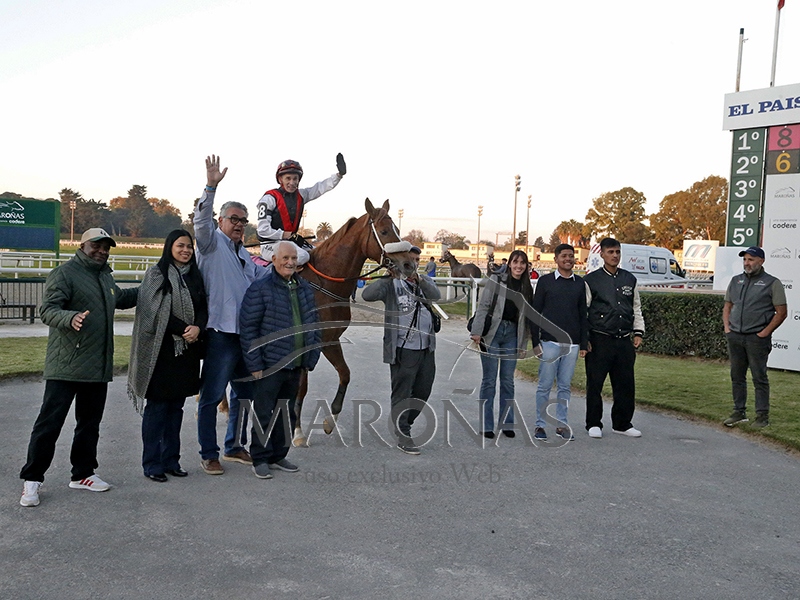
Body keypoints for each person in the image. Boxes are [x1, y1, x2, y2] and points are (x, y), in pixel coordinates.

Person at [19, 228, 138, 507]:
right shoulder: (64, 273)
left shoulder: (105, 276)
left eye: (106, 247)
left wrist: (151, 286)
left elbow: (119, 299)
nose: (102, 251)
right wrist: (70, 317)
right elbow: (48, 310)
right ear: (83, 245)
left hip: (97, 365)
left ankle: (83, 474)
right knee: (49, 424)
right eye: (96, 246)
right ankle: (32, 480)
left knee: (89, 424)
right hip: (67, 364)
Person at [194, 155, 267, 475]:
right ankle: (208, 453)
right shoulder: (211, 244)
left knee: (244, 395)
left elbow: (266, 278)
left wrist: (295, 261)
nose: (239, 224)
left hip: (244, 336)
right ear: (221, 221)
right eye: (234, 219)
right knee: (211, 396)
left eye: (243, 220)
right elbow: (200, 222)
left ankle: (234, 446)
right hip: (220, 334)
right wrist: (210, 187)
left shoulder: (245, 256)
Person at [128, 230, 208, 482]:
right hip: (162, 352)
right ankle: (152, 463)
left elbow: (203, 306)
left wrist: (198, 328)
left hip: (186, 352)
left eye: (189, 247)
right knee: (158, 408)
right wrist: (184, 329)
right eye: (180, 245)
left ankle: (171, 460)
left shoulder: (195, 275)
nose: (186, 250)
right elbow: (153, 311)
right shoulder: (157, 274)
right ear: (169, 247)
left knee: (176, 408)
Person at [239, 241, 322, 478]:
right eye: (285, 258)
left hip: (296, 364)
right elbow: (249, 329)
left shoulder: (304, 288)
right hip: (269, 364)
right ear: (274, 260)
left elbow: (315, 324)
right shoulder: (260, 288)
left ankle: (278, 455)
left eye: (293, 258)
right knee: (264, 413)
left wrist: (311, 357)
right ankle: (260, 458)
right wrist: (255, 364)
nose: (290, 262)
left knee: (287, 413)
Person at [362, 245, 441, 455]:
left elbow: (436, 295)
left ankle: (403, 421)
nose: (412, 263)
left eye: (416, 260)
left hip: (426, 347)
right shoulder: (392, 284)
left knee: (423, 391)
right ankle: (403, 432)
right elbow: (367, 295)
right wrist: (388, 277)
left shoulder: (424, 281)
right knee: (402, 393)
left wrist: (419, 279)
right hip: (403, 348)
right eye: (409, 259)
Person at [583, 237, 644, 439]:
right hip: (599, 340)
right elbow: (584, 311)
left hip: (623, 340)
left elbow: (636, 307)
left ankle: (622, 423)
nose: (615, 255)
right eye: (610, 252)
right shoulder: (591, 281)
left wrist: (638, 331)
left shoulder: (629, 279)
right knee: (595, 384)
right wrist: (585, 338)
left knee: (625, 384)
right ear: (602, 254)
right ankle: (593, 423)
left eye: (617, 252)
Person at [470, 249, 533, 438]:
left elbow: (526, 319)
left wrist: (523, 343)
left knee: (507, 381)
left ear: (526, 265)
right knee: (489, 380)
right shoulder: (496, 280)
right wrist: (477, 331)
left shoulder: (526, 287)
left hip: (512, 334)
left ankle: (507, 423)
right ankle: (486, 425)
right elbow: (483, 306)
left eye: (522, 263)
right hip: (493, 332)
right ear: (509, 263)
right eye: (515, 262)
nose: (519, 266)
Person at [722, 246, 787, 428]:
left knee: (759, 377)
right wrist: (727, 328)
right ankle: (739, 412)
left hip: (756, 339)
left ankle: (762, 416)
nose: (747, 263)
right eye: (745, 260)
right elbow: (727, 306)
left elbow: (781, 312)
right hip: (735, 336)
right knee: (737, 376)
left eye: (751, 259)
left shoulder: (772, 283)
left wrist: (764, 333)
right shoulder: (736, 280)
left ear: (761, 261)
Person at [530, 244, 588, 440]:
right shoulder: (545, 281)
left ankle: (561, 425)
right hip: (549, 343)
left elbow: (583, 314)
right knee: (545, 386)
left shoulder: (579, 283)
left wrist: (583, 342)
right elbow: (535, 313)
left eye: (571, 256)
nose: (568, 259)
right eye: (564, 256)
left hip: (571, 344)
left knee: (564, 387)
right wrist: (535, 342)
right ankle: (540, 425)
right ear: (556, 259)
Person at [257, 154, 346, 265]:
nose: (292, 182)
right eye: (288, 178)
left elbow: (320, 188)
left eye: (295, 179)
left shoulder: (301, 195)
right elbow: (262, 230)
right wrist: (285, 235)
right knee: (303, 256)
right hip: (269, 245)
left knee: (319, 253)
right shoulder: (269, 198)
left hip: (290, 242)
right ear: (280, 179)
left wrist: (339, 175)